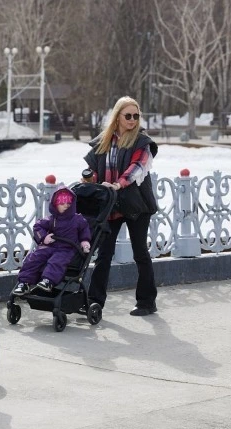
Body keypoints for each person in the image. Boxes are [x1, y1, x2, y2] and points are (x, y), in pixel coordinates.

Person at [83, 96, 159, 316]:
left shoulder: (141, 141)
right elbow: (95, 167)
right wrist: (90, 179)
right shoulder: (104, 141)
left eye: (136, 116)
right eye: (128, 116)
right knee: (103, 253)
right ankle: (94, 302)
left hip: (136, 204)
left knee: (140, 252)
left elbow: (137, 168)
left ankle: (146, 301)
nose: (133, 120)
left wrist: (117, 184)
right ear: (117, 117)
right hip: (110, 204)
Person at [12, 184, 91, 295]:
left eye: (68, 203)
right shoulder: (52, 219)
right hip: (51, 245)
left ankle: (48, 280)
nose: (66, 206)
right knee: (34, 257)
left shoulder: (77, 219)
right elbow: (38, 226)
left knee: (56, 261)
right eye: (62, 204)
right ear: (55, 205)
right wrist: (44, 238)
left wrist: (85, 241)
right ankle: (24, 282)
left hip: (67, 248)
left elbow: (84, 230)